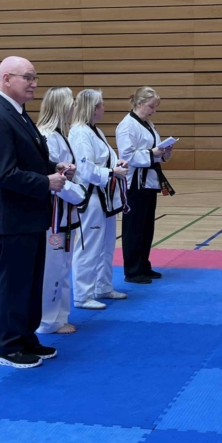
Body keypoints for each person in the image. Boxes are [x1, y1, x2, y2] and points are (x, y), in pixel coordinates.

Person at [0, 56, 75, 369]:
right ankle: (8, 347)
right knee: (15, 283)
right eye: (27, 77)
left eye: (35, 77)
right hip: (10, 218)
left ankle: (27, 337)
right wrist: (45, 182)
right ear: (6, 78)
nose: (34, 84)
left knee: (30, 283)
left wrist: (53, 167)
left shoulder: (16, 113)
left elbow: (27, 159)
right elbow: (2, 173)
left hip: (28, 215)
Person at [69, 89, 130, 309]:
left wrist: (117, 164)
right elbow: (85, 169)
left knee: (106, 245)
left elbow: (106, 158)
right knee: (89, 246)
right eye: (101, 104)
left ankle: (103, 286)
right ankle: (82, 295)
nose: (104, 107)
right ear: (92, 108)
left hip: (106, 195)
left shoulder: (95, 131)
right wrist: (112, 172)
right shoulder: (79, 132)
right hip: (90, 195)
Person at [36, 87, 87, 334]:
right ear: (61, 106)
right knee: (53, 269)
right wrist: (78, 193)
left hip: (66, 212)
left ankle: (60, 316)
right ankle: (47, 321)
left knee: (64, 267)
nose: (74, 108)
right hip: (54, 214)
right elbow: (53, 179)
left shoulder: (60, 134)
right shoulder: (46, 136)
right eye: (71, 103)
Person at [116, 87, 175, 284]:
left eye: (155, 108)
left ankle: (143, 266)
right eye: (151, 107)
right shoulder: (127, 126)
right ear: (139, 103)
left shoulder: (148, 124)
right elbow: (127, 156)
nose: (153, 111)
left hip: (149, 181)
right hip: (134, 183)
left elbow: (154, 151)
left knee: (146, 227)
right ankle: (132, 271)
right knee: (134, 227)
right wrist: (153, 153)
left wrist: (165, 152)